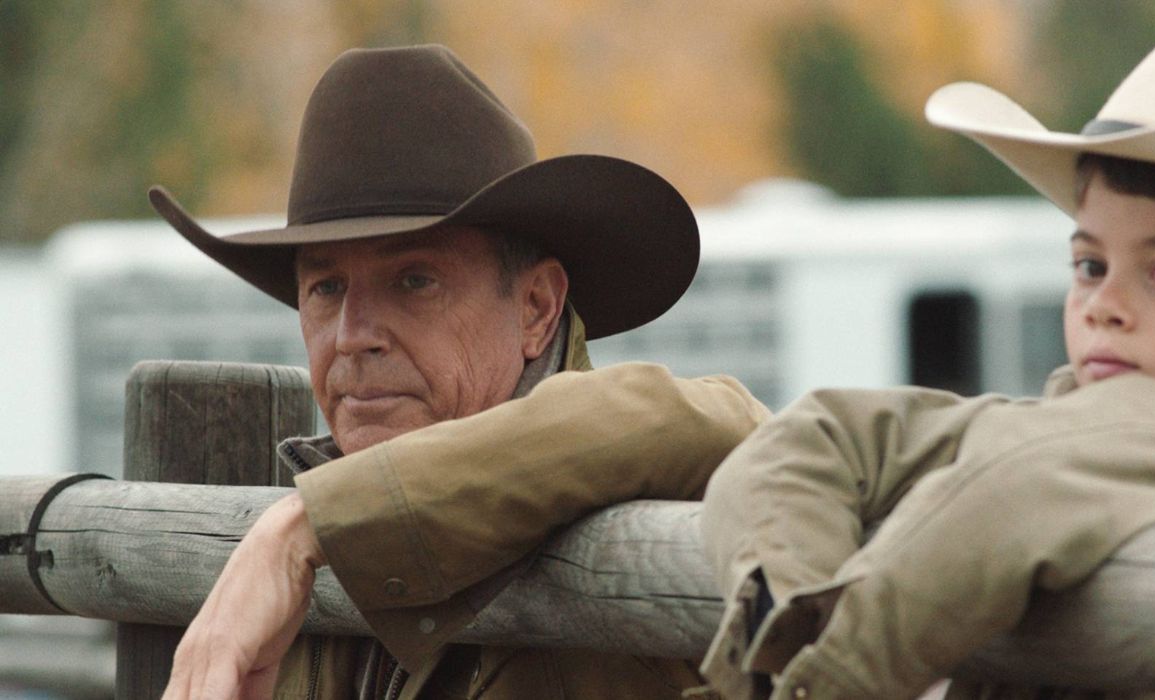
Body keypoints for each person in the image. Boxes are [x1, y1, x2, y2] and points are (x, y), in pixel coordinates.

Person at [698, 14, 1155, 699]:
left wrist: (831, 683)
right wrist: (786, 628)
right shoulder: (1076, 431)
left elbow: (1016, 487)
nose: (1104, 304)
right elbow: (816, 435)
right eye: (1090, 265)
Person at [151, 45, 770, 699]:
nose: (353, 335)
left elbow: (727, 423)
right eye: (326, 288)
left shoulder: (625, 471)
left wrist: (306, 526)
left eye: (415, 280)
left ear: (536, 308)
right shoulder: (320, 563)